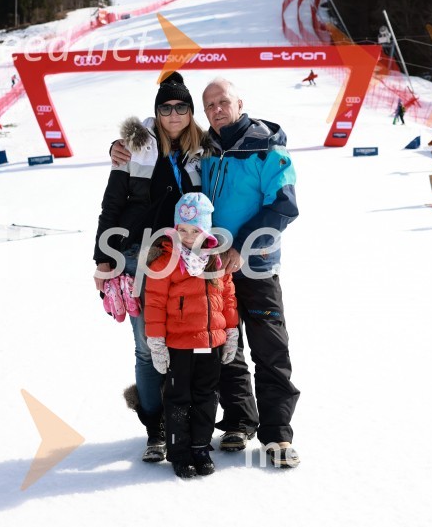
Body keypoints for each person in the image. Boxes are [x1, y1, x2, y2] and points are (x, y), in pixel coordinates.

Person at [110, 77, 302, 468]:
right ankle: (237, 420)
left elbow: (283, 206)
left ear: (239, 102)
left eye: (223, 102)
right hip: (210, 266)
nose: (216, 109)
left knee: (269, 348)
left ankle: (277, 434)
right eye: (210, 103)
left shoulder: (267, 147)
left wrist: (240, 247)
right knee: (224, 347)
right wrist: (119, 147)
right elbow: (158, 138)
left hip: (256, 264)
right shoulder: (206, 149)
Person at [94, 71, 205, 463]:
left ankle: (184, 419)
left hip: (185, 257)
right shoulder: (135, 147)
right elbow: (112, 204)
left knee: (182, 341)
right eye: (166, 107)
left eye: (181, 107)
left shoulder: (201, 151)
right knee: (146, 346)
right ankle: (154, 427)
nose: (173, 114)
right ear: (156, 111)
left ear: (191, 112)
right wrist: (102, 259)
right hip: (137, 254)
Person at [144, 192, 240, 478]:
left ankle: (200, 446)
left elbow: (229, 298)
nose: (187, 236)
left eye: (194, 230)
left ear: (205, 230)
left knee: (206, 397)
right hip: (179, 345)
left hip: (212, 344)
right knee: (178, 398)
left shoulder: (216, 261)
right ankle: (179, 451)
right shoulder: (166, 261)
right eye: (182, 229)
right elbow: (154, 303)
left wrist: (231, 331)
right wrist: (157, 342)